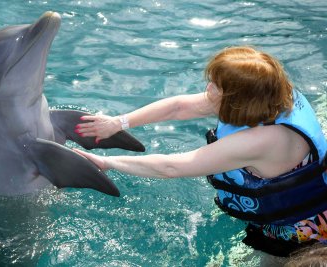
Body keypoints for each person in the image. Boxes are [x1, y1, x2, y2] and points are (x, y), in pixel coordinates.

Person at [73, 46, 327, 257]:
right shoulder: (271, 95)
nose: (208, 89)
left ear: (238, 99)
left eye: (215, 86)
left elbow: (172, 167)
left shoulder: (261, 141)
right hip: (282, 207)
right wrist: (118, 122)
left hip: (300, 231)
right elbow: (179, 107)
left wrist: (106, 162)